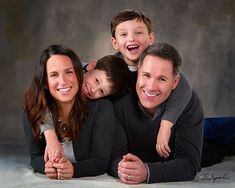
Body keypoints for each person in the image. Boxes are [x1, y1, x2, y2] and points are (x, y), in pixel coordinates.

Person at [108, 43, 204, 184]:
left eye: (162, 79)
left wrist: (147, 171)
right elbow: (114, 155)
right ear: (137, 72)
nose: (151, 87)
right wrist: (125, 169)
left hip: (203, 141)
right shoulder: (119, 99)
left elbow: (189, 164)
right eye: (146, 75)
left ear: (175, 82)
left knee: (222, 139)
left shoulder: (189, 102)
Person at [23, 44, 122, 179]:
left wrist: (74, 170)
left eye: (69, 72)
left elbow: (100, 161)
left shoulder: (101, 107)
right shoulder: (33, 107)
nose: (63, 81)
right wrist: (46, 167)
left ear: (78, 74)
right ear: (45, 82)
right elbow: (35, 157)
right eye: (54, 75)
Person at [110, 9, 192, 158]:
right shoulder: (110, 67)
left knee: (215, 131)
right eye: (124, 34)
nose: (131, 39)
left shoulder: (158, 60)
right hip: (142, 131)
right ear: (115, 43)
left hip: (176, 123)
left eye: (138, 33)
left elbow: (184, 86)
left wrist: (166, 125)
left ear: (151, 38)